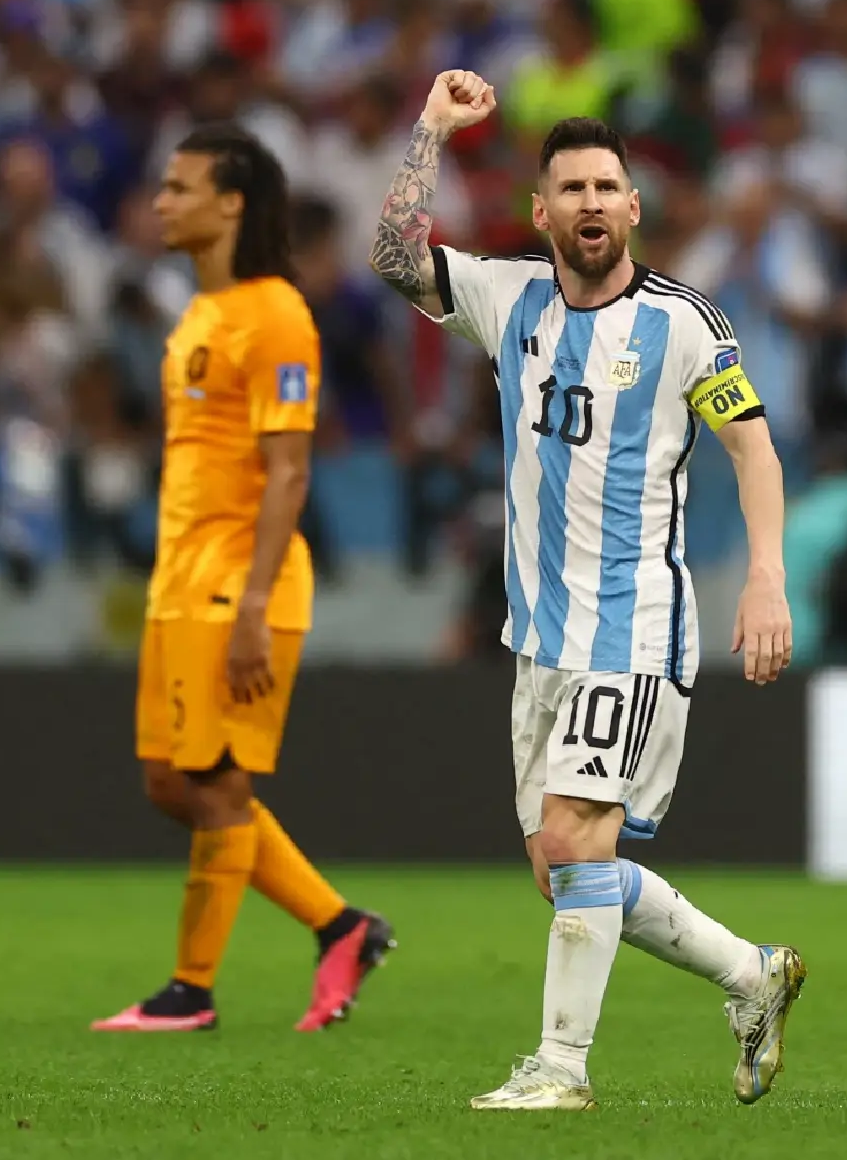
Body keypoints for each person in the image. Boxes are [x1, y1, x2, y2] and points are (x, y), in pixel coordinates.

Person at [370, 71, 803, 1112]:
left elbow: (752, 451)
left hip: (634, 627)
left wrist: (766, 580)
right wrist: (431, 127)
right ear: (541, 211)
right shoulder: (505, 295)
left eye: (608, 187)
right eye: (571, 189)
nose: (592, 204)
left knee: (574, 843)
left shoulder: (684, 324)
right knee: (566, 873)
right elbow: (391, 258)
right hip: (541, 636)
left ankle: (560, 1070)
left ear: (634, 207)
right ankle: (754, 974)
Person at [91, 125, 394, 1035]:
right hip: (179, 580)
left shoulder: (275, 314)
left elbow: (291, 469)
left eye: (179, 187)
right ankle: (342, 924)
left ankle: (191, 989)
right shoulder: (197, 316)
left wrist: (257, 599)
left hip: (237, 580)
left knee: (214, 781)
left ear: (233, 203)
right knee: (166, 779)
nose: (160, 202)